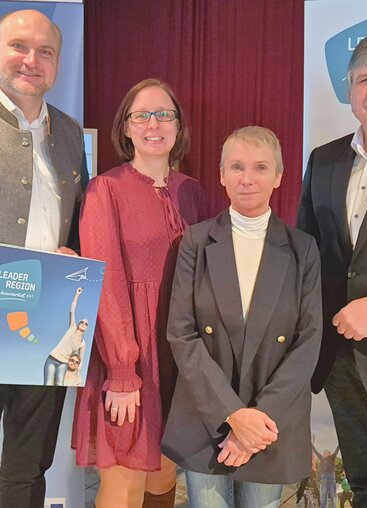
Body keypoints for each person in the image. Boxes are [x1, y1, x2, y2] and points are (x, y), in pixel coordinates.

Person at [162, 126, 322, 508]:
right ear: (221, 175)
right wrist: (232, 414)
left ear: (279, 176)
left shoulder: (302, 250)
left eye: (260, 167)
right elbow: (182, 335)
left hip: (271, 422)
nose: (247, 179)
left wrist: (256, 422)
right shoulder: (196, 242)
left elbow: (308, 340)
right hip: (208, 416)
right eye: (236, 167)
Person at [72, 78, 206, 508]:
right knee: (124, 486)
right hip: (127, 355)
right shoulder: (104, 190)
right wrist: (123, 369)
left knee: (164, 475)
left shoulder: (193, 191)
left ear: (178, 126)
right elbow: (105, 282)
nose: (154, 123)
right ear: (126, 127)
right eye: (141, 114)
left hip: (179, 356)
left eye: (164, 114)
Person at [297, 34, 367, 507]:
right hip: (343, 364)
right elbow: (306, 254)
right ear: (349, 90)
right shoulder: (324, 160)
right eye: (364, 78)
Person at [0, 9, 88, 508]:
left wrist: (73, 250)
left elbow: (77, 217)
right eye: (18, 46)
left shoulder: (71, 133)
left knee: (29, 465)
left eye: (45, 51)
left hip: (46, 321)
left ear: (57, 62)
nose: (31, 60)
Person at [44, 287, 87, 385]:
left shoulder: (82, 343)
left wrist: (77, 373)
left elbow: (81, 359)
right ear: (78, 323)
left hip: (63, 363)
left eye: (86, 323)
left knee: (60, 384)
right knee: (48, 383)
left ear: (87, 328)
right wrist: (77, 294)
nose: (84, 323)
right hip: (52, 359)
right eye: (82, 322)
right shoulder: (72, 328)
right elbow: (72, 310)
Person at [312, 444, 339, 508]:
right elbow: (315, 451)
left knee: (333, 495)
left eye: (325, 452)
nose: (323, 453)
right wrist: (311, 444)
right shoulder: (321, 458)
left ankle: (334, 507)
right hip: (324, 478)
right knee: (323, 495)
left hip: (331, 478)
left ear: (329, 453)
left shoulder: (332, 457)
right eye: (323, 452)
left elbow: (337, 450)